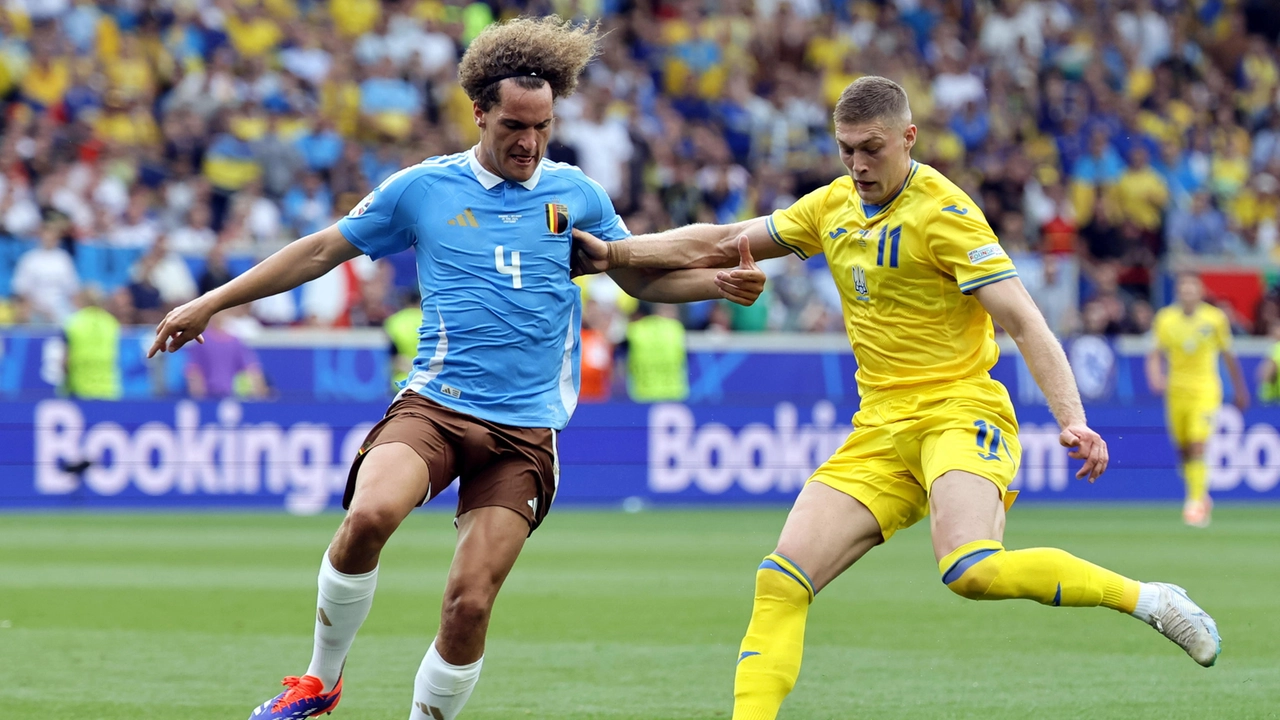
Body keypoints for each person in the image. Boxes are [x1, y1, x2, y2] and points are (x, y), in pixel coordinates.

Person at [148, 17, 765, 720]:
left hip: (526, 431)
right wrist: (212, 301)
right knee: (369, 514)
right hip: (436, 406)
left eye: (542, 126)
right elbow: (322, 251)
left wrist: (715, 284)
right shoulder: (422, 189)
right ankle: (319, 683)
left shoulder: (577, 195)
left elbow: (640, 280)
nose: (529, 143)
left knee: (468, 604)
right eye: (513, 126)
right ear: (479, 112)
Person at [572, 76, 1221, 720]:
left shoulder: (944, 213)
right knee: (779, 580)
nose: (857, 164)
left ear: (909, 138)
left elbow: (1025, 321)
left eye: (871, 148)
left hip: (959, 412)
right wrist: (613, 254)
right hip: (879, 430)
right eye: (846, 148)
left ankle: (1150, 599)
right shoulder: (830, 206)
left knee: (971, 569)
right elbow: (721, 240)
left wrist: (1073, 420)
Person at [1147, 273, 1248, 527]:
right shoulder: (1165, 319)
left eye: (1192, 287)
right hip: (1176, 391)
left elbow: (1228, 355)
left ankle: (1194, 503)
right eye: (1183, 287)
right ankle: (1200, 495)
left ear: (1200, 292)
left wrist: (1240, 389)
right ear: (1178, 292)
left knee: (1197, 444)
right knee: (1182, 451)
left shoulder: (1214, 319)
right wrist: (1155, 377)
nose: (1188, 292)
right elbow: (1155, 353)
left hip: (1205, 391)